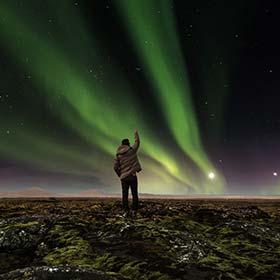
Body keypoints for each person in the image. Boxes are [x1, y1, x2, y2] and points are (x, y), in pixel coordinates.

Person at [113, 129, 142, 217]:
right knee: (134, 194)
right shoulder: (132, 150)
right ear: (128, 144)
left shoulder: (118, 155)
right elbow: (137, 142)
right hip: (132, 176)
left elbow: (115, 167)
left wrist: (120, 175)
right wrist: (136, 133)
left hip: (124, 178)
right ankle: (134, 211)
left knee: (124, 195)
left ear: (122, 145)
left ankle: (126, 211)